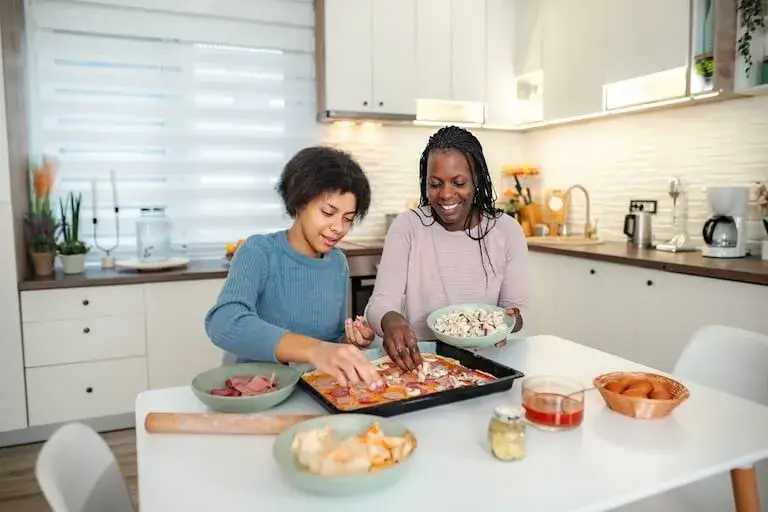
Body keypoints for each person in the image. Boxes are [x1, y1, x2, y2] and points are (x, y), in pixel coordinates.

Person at [205, 146, 382, 388]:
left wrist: (351, 344)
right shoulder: (259, 251)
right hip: (256, 394)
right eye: (328, 212)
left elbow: (329, 340)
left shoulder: (337, 262)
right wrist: (315, 349)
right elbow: (224, 322)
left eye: (347, 219)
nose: (338, 228)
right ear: (299, 202)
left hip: (312, 390)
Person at [366, 125, 529, 372]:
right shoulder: (407, 227)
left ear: (477, 181)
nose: (446, 194)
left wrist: (508, 321)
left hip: (489, 362)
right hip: (424, 365)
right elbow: (379, 303)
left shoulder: (507, 231)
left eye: (459, 182)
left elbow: (517, 310)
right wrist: (390, 319)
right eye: (435, 183)